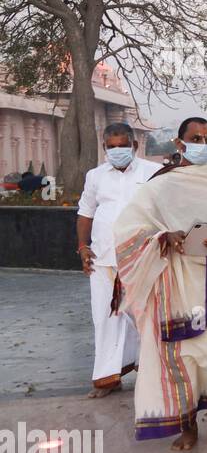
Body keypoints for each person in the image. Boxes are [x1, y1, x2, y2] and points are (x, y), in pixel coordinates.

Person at [112, 117, 207, 450]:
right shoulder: (159, 186)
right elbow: (128, 232)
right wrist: (165, 237)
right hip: (175, 285)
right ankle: (188, 423)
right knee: (182, 356)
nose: (203, 144)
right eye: (196, 138)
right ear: (180, 144)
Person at [76, 123, 161, 397]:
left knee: (145, 317)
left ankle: (154, 373)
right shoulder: (95, 176)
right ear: (104, 148)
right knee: (104, 316)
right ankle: (107, 379)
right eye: (110, 147)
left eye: (122, 145)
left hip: (142, 257)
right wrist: (82, 247)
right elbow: (86, 212)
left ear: (134, 146)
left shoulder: (152, 172)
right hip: (103, 258)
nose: (116, 151)